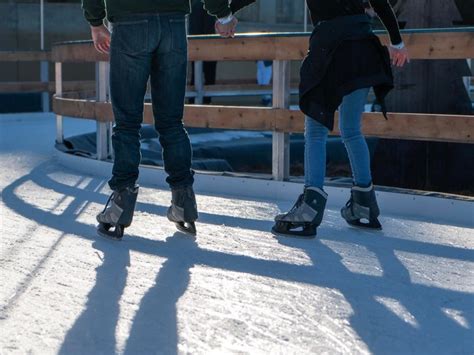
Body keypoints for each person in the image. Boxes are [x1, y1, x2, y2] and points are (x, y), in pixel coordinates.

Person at [83, 0, 245, 239]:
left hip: (130, 22)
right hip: (173, 23)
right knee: (171, 121)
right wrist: (223, 14)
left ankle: (120, 204)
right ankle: (183, 202)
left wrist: (96, 22)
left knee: (127, 122)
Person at [273, 0, 410, 238]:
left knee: (315, 130)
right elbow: (380, 2)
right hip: (361, 47)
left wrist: (226, 12)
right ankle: (364, 203)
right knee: (352, 130)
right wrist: (397, 42)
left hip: (331, 49)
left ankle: (310, 207)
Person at [189, 0, 218, 104]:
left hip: (194, 45)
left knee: (195, 76)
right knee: (209, 77)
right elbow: (209, 29)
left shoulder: (193, 4)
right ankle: (206, 103)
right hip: (208, 46)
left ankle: (192, 102)